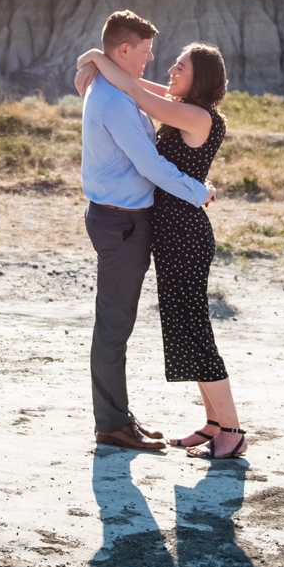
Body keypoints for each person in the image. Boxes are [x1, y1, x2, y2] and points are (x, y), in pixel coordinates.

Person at [75, 38, 245, 459]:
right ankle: (212, 424)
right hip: (171, 235)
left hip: (185, 235)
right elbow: (139, 83)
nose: (170, 71)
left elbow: (133, 89)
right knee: (185, 329)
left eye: (180, 67)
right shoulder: (183, 106)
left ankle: (233, 432)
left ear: (200, 79)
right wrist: (97, 60)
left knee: (195, 332)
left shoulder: (195, 115)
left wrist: (98, 57)